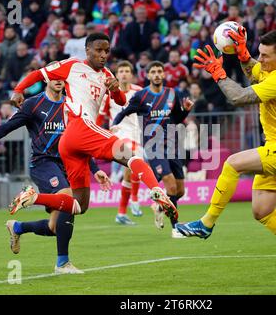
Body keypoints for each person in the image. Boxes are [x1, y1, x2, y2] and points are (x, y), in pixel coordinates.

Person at [175, 29, 276, 286]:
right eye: (259, 53)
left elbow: (238, 97)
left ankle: (206, 223)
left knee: (232, 163)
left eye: (265, 56)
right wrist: (244, 56)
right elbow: (255, 72)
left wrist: (218, 74)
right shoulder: (273, 68)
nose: (261, 59)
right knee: (262, 211)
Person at [9, 33, 177, 224]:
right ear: (87, 50)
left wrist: (115, 89)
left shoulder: (107, 75)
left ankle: (32, 198)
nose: (103, 55)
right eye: (99, 50)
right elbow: (39, 73)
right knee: (133, 156)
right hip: (81, 126)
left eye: (107, 51)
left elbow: (121, 101)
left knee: (80, 205)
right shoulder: (72, 65)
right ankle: (157, 191)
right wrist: (18, 90)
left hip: (70, 142)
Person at [0, 78, 110, 274]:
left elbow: (79, 142)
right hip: (43, 163)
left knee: (55, 227)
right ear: (47, 79)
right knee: (67, 196)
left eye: (62, 77)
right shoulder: (33, 104)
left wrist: (95, 169)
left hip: (65, 165)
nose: (59, 80)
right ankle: (62, 263)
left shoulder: (72, 106)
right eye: (55, 77)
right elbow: (9, 126)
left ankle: (17, 227)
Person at [113, 61, 194, 238]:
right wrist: (113, 126)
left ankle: (159, 205)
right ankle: (175, 228)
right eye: (153, 72)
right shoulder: (141, 96)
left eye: (159, 71)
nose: (157, 75)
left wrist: (185, 111)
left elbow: (177, 119)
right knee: (170, 185)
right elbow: (123, 112)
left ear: (163, 75)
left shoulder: (173, 94)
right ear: (148, 76)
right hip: (153, 146)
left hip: (172, 145)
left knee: (180, 191)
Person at [97, 60, 143, 225]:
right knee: (135, 160)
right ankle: (135, 200)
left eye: (126, 71)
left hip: (136, 135)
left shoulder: (139, 92)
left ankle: (121, 213)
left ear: (131, 75)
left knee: (131, 171)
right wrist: (99, 132)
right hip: (118, 136)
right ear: (116, 75)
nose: (123, 73)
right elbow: (100, 117)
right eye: (121, 71)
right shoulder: (108, 95)